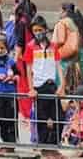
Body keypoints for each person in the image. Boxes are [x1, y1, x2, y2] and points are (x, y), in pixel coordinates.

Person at [25, 15, 62, 146]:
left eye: (40, 30)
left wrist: (61, 86)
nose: (38, 33)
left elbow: (58, 66)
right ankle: (43, 146)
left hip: (52, 85)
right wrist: (31, 88)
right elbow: (28, 69)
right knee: (42, 118)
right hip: (38, 86)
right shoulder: (30, 47)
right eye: (35, 31)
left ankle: (54, 145)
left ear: (45, 29)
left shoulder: (53, 46)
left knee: (58, 117)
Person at [54, 3, 83, 96]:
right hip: (79, 63)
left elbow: (59, 41)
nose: (59, 13)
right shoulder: (79, 23)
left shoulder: (62, 23)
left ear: (64, 11)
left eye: (60, 11)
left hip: (66, 62)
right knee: (77, 92)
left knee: (63, 92)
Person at [13, 0, 38, 122]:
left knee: (23, 86)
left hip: (22, 58)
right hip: (32, 56)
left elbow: (19, 42)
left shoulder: (21, 23)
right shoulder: (30, 22)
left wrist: (15, 59)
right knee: (30, 84)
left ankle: (26, 114)